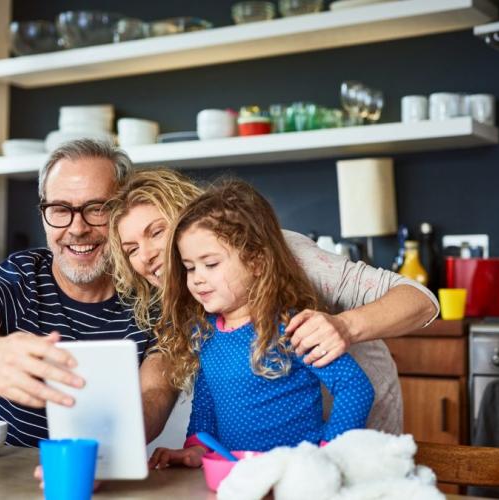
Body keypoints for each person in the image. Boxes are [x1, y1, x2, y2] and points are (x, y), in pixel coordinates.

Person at [108, 168, 438, 437]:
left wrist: (344, 327)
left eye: (156, 232)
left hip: (356, 439)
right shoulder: (195, 297)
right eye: (131, 249)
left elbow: (421, 301)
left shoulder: (281, 252)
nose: (147, 255)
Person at [0, 139, 174, 447]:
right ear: (44, 214)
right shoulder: (18, 277)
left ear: (123, 212)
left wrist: (108, 440)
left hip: (98, 475)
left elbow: (155, 395)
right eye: (60, 209)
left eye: (96, 209)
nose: (77, 228)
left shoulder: (156, 299)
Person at [149, 181, 375, 467]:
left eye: (211, 264)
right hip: (237, 478)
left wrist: (329, 453)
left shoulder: (290, 326)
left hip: (297, 477)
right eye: (190, 267)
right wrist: (197, 449)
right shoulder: (204, 333)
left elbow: (355, 387)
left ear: (255, 261)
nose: (197, 278)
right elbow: (206, 406)